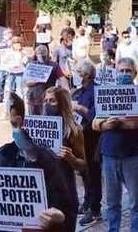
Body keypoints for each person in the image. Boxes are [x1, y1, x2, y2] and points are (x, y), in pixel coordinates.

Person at [0, 93, 74, 229]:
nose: (18, 128)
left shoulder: (48, 159)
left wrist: (58, 217)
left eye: (19, 123)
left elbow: (64, 206)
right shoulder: (3, 154)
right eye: (13, 124)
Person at [93, 58, 138, 232]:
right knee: (112, 202)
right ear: (116, 73)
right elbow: (95, 123)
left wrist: (125, 125)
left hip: (132, 156)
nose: (124, 74)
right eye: (121, 71)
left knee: (136, 202)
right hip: (109, 154)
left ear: (134, 73)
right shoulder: (106, 93)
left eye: (128, 71)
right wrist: (105, 125)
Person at [43, 86, 86, 232]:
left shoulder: (73, 129)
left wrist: (71, 158)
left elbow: (82, 165)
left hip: (65, 191)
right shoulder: (36, 129)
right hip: (45, 193)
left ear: (62, 103)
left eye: (52, 101)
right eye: (46, 101)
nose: (48, 104)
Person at [71, 61, 103, 226]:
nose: (75, 74)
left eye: (77, 72)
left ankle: (95, 208)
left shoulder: (97, 91)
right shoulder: (78, 91)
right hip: (79, 138)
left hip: (93, 139)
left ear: (86, 75)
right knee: (84, 172)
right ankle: (87, 201)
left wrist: (80, 108)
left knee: (93, 173)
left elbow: (94, 116)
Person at [25, 44, 59, 115]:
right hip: (33, 98)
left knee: (46, 118)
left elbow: (62, 79)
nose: (41, 56)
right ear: (36, 54)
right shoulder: (31, 65)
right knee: (34, 119)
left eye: (43, 54)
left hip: (47, 98)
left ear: (47, 54)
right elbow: (26, 82)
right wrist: (35, 82)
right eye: (39, 54)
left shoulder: (54, 65)